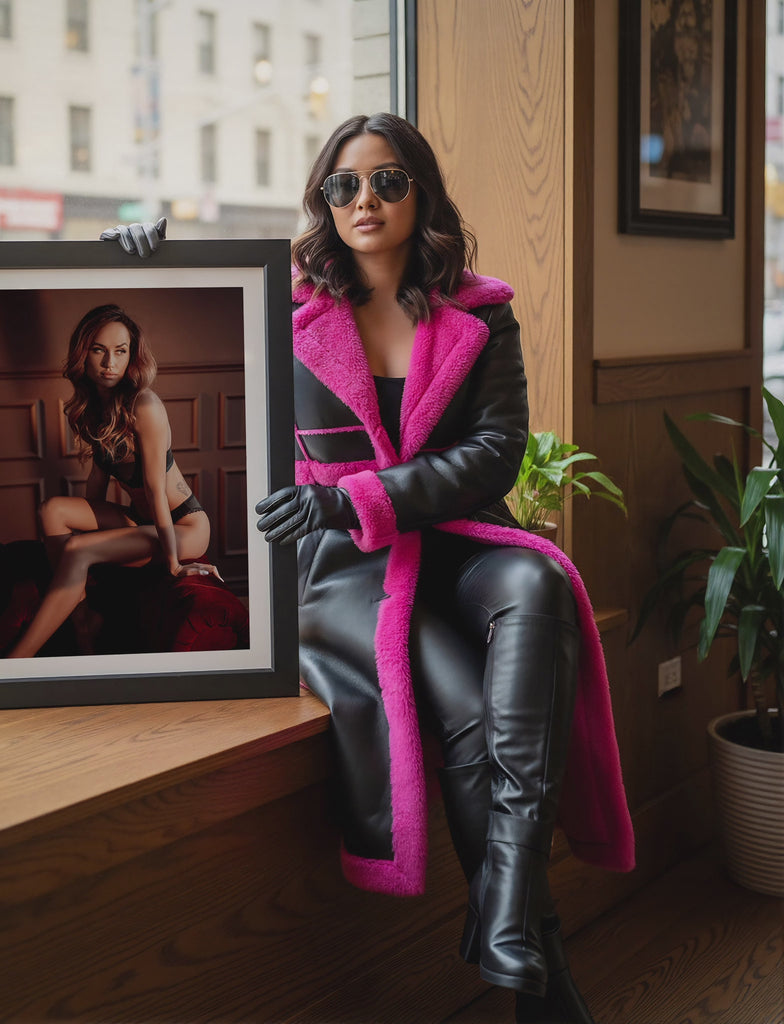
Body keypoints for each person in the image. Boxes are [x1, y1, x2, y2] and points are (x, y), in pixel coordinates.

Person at [102, 114, 634, 1024]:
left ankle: (506, 915)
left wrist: (356, 496)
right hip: (347, 570)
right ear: (324, 199)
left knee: (541, 579)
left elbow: (496, 455)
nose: (365, 201)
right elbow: (180, 330)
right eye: (343, 185)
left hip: (457, 538)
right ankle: (531, 955)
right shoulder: (287, 306)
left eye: (387, 181)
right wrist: (136, 264)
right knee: (469, 707)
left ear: (421, 193)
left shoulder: (482, 312)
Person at [5, 303, 219, 659]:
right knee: (52, 510)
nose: (110, 363)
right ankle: (81, 611)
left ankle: (17, 661)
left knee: (78, 549)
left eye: (120, 351)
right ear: (83, 354)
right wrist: (86, 532)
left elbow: (155, 489)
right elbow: (97, 480)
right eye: (98, 350)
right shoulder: (92, 408)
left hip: (183, 526)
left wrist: (173, 563)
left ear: (132, 356)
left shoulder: (145, 405)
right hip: (140, 520)